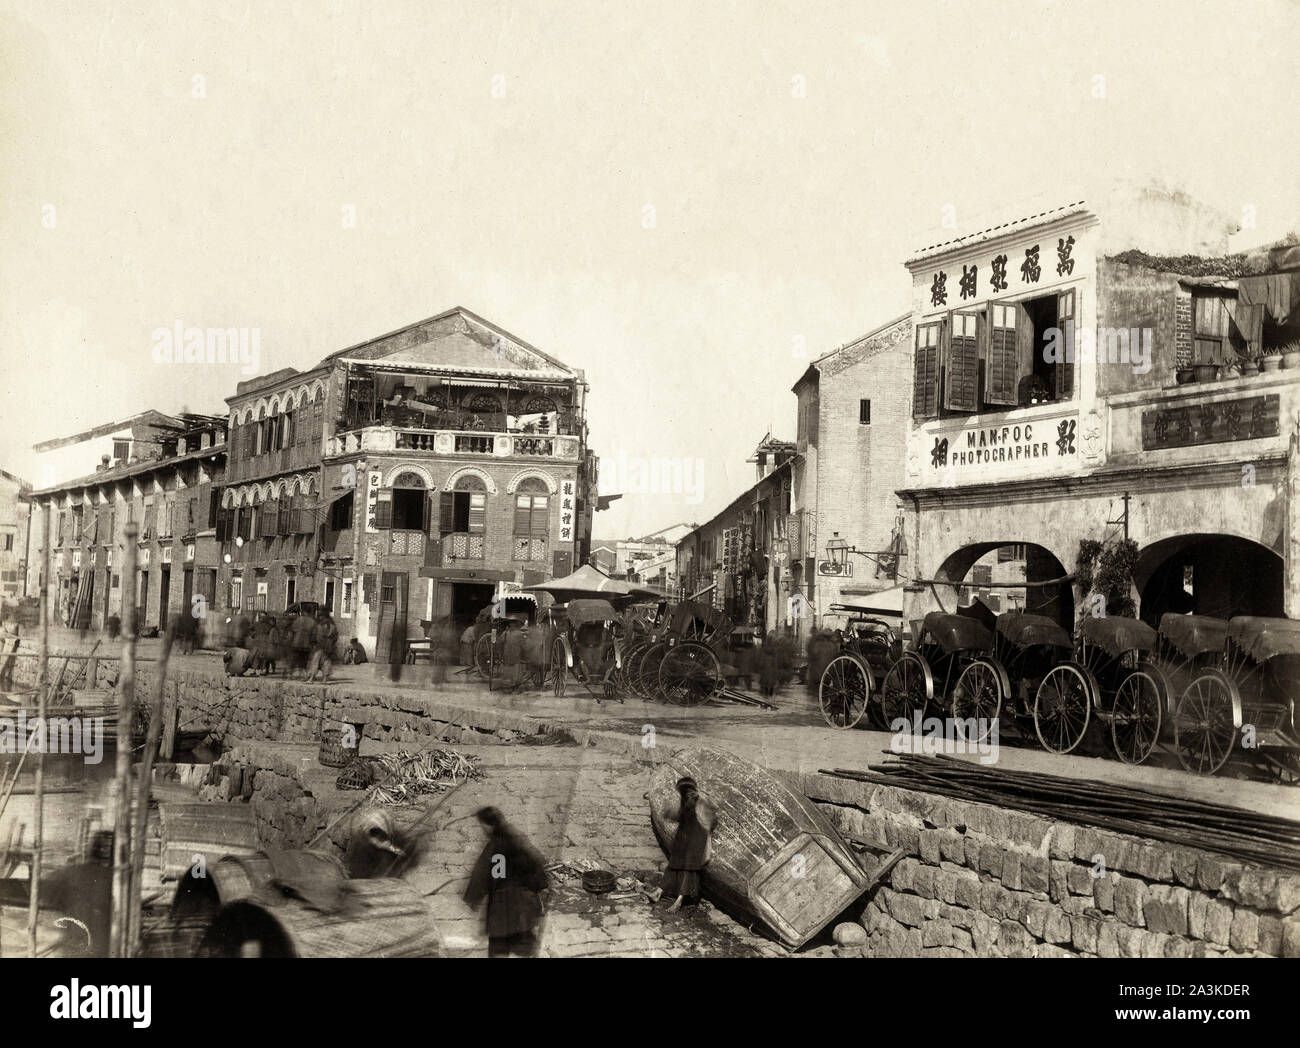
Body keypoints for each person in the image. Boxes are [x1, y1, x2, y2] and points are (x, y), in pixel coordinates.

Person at [463, 806, 550, 958]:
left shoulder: (495, 847)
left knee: (498, 948)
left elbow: (485, 875)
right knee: (525, 945)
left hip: (502, 912)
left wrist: (473, 897)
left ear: (489, 825)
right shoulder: (518, 839)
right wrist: (540, 887)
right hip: (524, 910)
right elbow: (536, 863)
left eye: (482, 825)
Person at [661, 776, 715, 911]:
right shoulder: (685, 801)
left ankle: (679, 901)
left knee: (688, 870)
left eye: (687, 790)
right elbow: (675, 816)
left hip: (696, 842)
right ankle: (658, 893)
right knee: (673, 866)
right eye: (683, 791)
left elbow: (711, 820)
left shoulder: (701, 801)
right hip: (684, 840)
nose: (685, 793)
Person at [308, 611, 339, 682]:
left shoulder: (319, 626)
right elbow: (335, 637)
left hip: (320, 646)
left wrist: (313, 644)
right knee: (326, 662)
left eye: (320, 616)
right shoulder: (332, 626)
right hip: (328, 647)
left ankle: (312, 678)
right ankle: (324, 678)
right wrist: (331, 644)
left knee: (315, 661)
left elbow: (315, 636)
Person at [290, 609, 315, 679]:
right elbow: (313, 634)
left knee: (294, 659)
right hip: (306, 644)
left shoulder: (297, 620)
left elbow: (293, 630)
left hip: (296, 642)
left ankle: (290, 675)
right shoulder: (312, 621)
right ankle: (304, 675)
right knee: (304, 660)